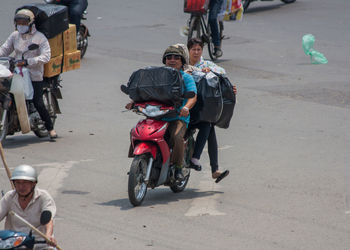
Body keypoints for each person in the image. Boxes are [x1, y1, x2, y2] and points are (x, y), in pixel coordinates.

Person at [126, 45, 197, 180]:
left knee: (176, 138)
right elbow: (145, 92)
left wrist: (186, 107)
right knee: (134, 131)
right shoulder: (157, 77)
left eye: (176, 57)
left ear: (182, 61)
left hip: (177, 118)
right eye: (169, 57)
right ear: (164, 61)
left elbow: (193, 97)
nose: (172, 60)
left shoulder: (186, 78)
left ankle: (178, 168)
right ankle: (137, 161)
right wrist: (134, 102)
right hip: (157, 116)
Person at [0, 9, 57, 139]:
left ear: (30, 23)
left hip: (33, 74)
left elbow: (46, 56)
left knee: (37, 102)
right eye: (18, 22)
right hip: (16, 72)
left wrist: (28, 62)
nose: (21, 25)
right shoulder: (15, 35)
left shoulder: (39, 38)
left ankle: (50, 128)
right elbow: (5, 49)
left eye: (24, 22)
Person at [186, 38, 237, 183]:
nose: (196, 52)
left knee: (208, 125)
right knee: (209, 127)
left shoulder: (206, 64)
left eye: (199, 49)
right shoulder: (182, 64)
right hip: (185, 107)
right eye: (193, 49)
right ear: (188, 50)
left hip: (201, 109)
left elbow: (222, 74)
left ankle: (207, 165)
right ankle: (212, 169)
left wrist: (212, 70)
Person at [0, 165, 57, 250]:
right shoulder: (9, 197)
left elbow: (48, 220)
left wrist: (48, 236)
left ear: (33, 183)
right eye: (18, 183)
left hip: (40, 244)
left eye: (25, 183)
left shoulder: (43, 197)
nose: (21, 187)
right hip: (15, 244)